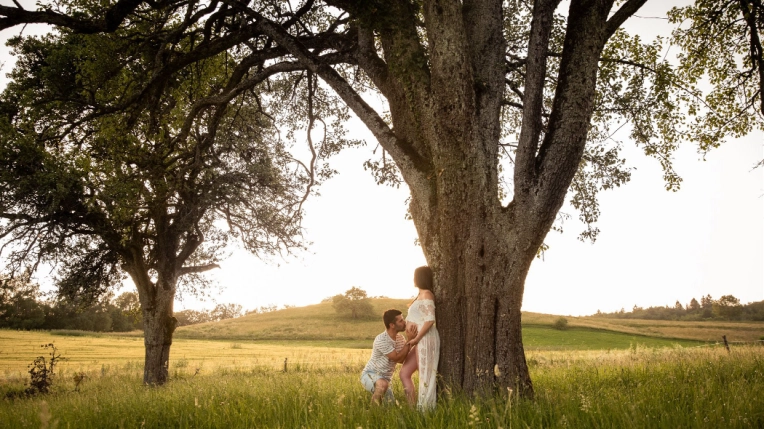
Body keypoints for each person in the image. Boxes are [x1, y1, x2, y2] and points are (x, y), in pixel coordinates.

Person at [400, 265, 439, 410]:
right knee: (404, 373)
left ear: (420, 277)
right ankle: (412, 409)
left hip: (425, 339)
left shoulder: (427, 294)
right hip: (418, 340)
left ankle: (425, 410)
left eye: (415, 276)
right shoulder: (420, 295)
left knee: (426, 376)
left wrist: (416, 339)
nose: (413, 279)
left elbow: (429, 320)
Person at [360, 308, 414, 404]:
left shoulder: (400, 338)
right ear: (392, 325)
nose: (404, 322)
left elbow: (401, 360)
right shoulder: (381, 340)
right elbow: (396, 357)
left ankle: (377, 414)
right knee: (382, 385)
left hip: (386, 379)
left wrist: (410, 342)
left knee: (390, 408)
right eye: (401, 320)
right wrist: (410, 340)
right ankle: (372, 414)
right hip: (370, 374)